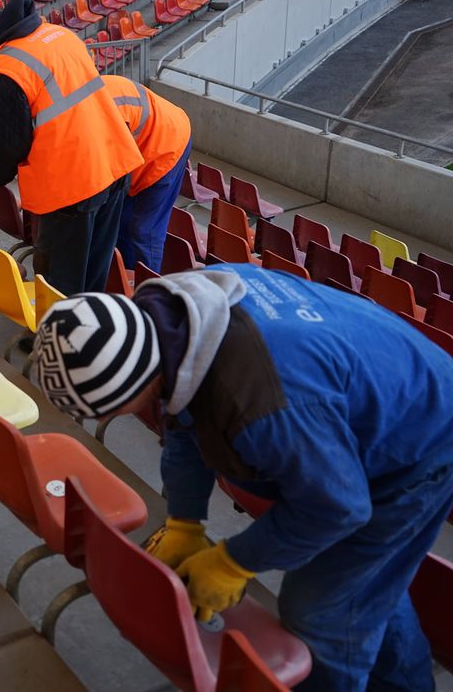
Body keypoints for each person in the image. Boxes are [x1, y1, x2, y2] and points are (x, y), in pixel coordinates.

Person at [31, 264, 453, 691]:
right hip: (362, 399)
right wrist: (184, 521)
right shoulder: (174, 319)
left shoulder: (261, 402)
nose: (110, 418)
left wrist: (234, 562)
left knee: (319, 612)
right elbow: (183, 417)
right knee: (365, 581)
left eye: (110, 410)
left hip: (420, 445)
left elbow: (338, 507)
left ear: (140, 381)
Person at [0, 0, 143, 295]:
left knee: (61, 283)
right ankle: (87, 335)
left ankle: (60, 338)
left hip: (70, 185)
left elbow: (9, 144)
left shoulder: (6, 68)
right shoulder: (59, 35)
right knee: (95, 274)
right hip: (114, 165)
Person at [100, 75, 192, 273]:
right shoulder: (85, 100)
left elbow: (113, 176)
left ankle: (149, 291)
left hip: (167, 145)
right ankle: (126, 277)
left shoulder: (104, 116)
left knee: (145, 230)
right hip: (145, 142)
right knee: (121, 221)